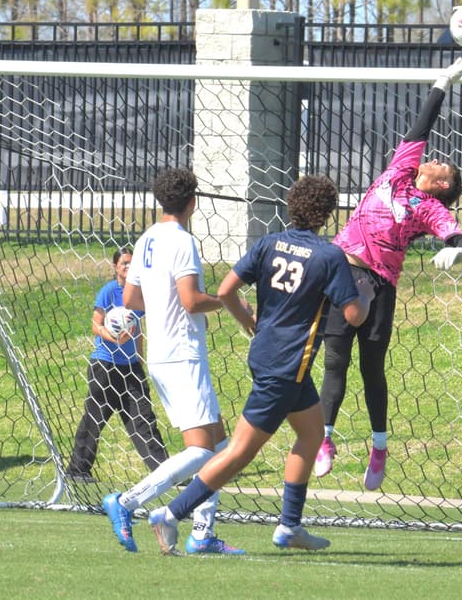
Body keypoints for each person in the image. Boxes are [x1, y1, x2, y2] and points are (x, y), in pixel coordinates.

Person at [146, 175, 374, 554]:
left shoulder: (270, 242)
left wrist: (246, 320)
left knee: (311, 434)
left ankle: (289, 526)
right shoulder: (329, 255)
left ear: (291, 206)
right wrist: (364, 295)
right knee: (238, 452)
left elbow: (224, 291)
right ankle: (171, 513)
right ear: (327, 214)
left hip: (270, 357)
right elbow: (352, 315)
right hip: (287, 365)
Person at [315, 56, 462, 490]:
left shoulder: (430, 208)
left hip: (379, 287)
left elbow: (457, 237)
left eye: (441, 166)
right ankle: (325, 440)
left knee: (372, 368)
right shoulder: (398, 171)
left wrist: (457, 252)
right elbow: (420, 129)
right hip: (341, 273)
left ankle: (379, 446)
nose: (433, 160)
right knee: (334, 360)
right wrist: (441, 84)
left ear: (443, 185)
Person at [102, 167, 250, 555]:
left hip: (159, 353)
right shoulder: (182, 241)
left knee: (219, 447)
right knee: (201, 450)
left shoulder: (147, 238)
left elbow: (131, 300)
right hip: (182, 354)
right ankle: (129, 502)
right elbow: (190, 300)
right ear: (193, 202)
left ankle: (202, 533)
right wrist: (228, 301)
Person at [66, 248, 168, 483]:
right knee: (94, 418)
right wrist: (114, 338)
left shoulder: (138, 294)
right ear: (115, 266)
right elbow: (95, 325)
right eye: (124, 263)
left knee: (143, 418)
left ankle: (164, 472)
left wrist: (140, 359)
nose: (128, 267)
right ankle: (77, 470)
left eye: (132, 263)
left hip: (131, 369)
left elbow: (137, 328)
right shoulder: (108, 292)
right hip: (105, 366)